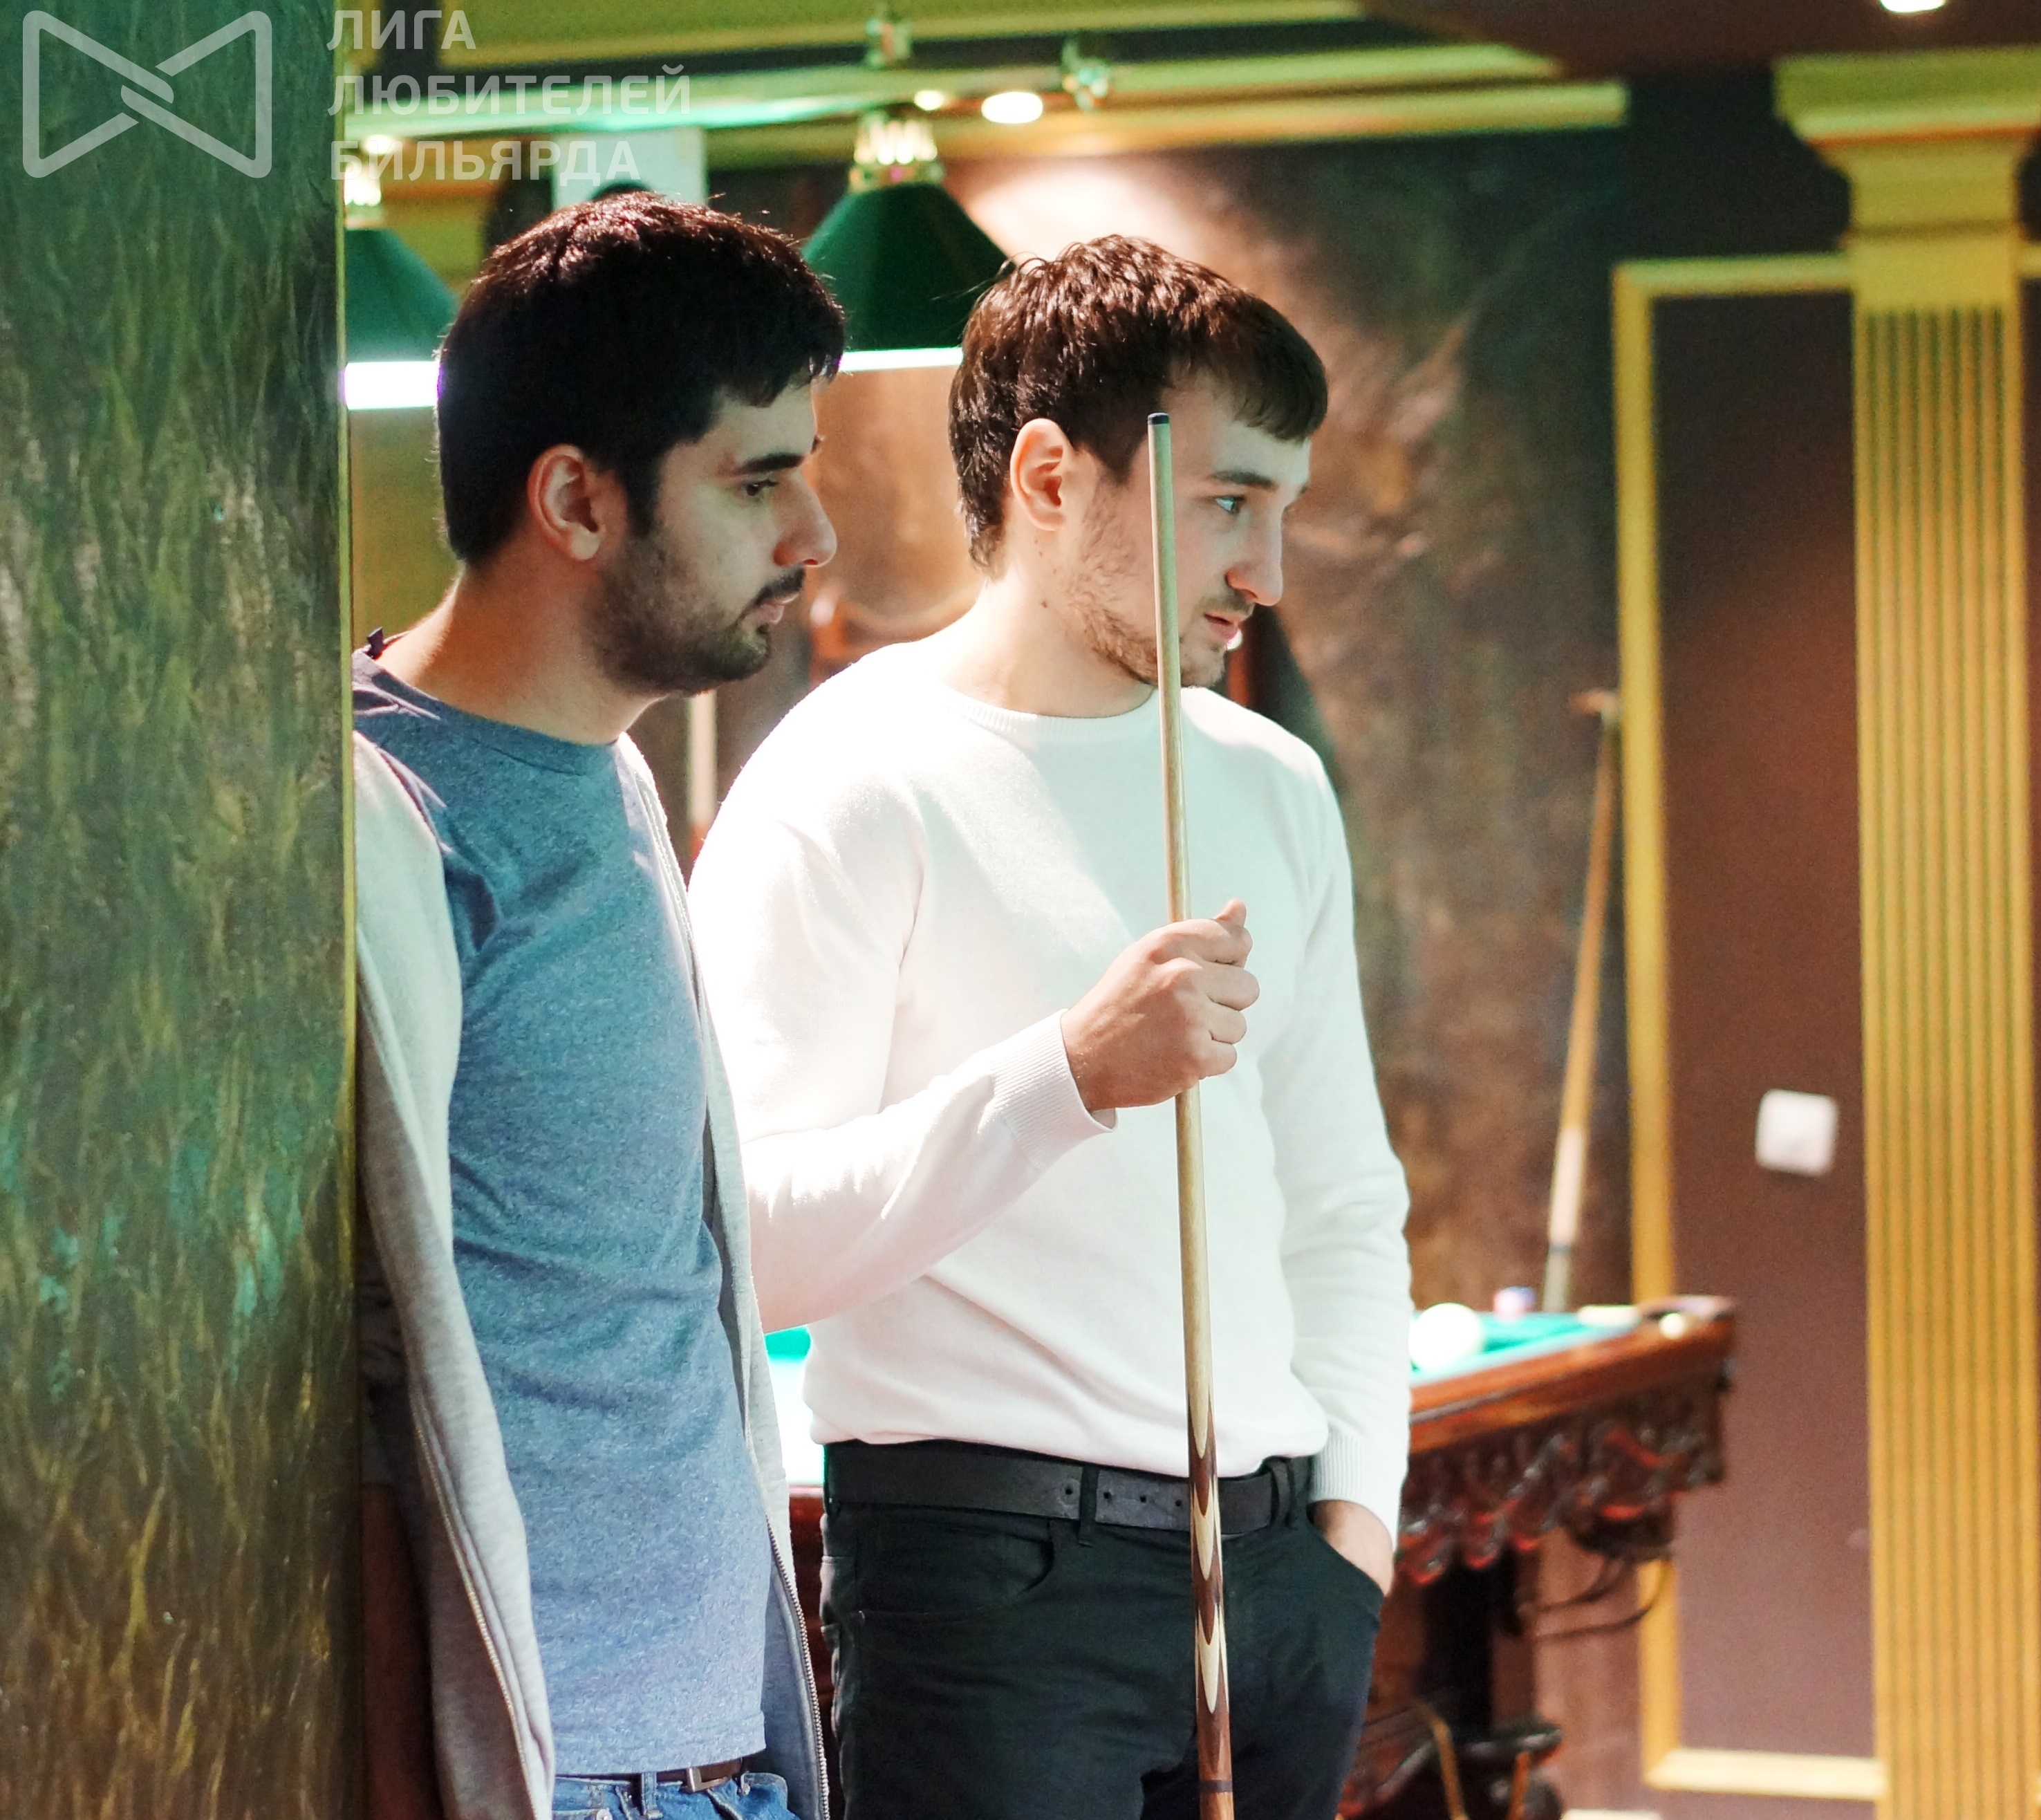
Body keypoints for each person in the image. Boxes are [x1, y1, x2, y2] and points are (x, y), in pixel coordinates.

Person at [688, 236, 1412, 1820]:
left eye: (1285, 508)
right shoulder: (847, 776)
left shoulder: (1271, 782)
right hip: (990, 1594)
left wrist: (1352, 1536)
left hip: (1279, 1581)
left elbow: (1344, 1203)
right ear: (1049, 476)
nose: (1268, 570)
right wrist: (1066, 1074)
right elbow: (744, 1242)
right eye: (1230, 501)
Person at [351, 194, 842, 1820]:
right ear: (575, 497)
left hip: (719, 1745)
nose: (812, 534)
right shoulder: (375, 814)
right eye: (757, 480)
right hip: (545, 1763)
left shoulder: (613, 770)